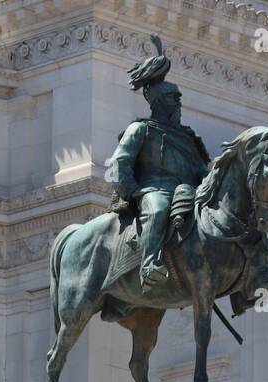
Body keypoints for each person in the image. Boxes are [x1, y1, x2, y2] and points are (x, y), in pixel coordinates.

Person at [107, 35, 210, 290]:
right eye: (174, 99)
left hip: (187, 191)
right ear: (160, 101)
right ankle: (149, 264)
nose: (179, 103)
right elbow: (121, 162)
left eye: (178, 98)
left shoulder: (187, 137)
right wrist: (133, 191)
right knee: (158, 208)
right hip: (154, 188)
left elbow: (200, 168)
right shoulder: (141, 129)